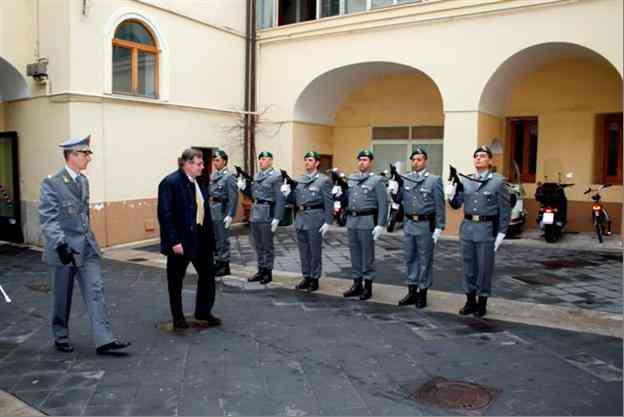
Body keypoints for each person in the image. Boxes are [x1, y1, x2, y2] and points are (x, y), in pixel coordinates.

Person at [38, 134, 130, 354]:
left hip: (86, 248)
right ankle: (60, 335)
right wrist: (60, 243)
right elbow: (47, 217)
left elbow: (83, 215)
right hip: (64, 250)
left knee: (96, 291)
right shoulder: (52, 182)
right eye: (86, 154)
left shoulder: (83, 181)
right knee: (62, 296)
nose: (89, 158)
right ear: (72, 156)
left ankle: (104, 340)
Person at [157, 148, 220, 330]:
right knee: (176, 279)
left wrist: (211, 238)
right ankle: (178, 317)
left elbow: (203, 210)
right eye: (199, 164)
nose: (203, 167)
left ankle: (203, 312)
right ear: (188, 164)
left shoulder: (199, 181)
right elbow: (165, 214)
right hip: (181, 241)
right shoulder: (170, 182)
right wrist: (174, 241)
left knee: (208, 275)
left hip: (201, 238)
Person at [448, 145, 510, 317]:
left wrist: (501, 233)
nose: (479, 158)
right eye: (476, 156)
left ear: (490, 160)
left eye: (482, 156)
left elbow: (505, 210)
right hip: (467, 228)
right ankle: (470, 300)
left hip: (486, 229)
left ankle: (482, 302)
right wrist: (452, 192)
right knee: (468, 266)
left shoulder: (498, 182)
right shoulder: (466, 180)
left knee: (484, 268)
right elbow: (456, 204)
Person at [389, 147, 445, 308]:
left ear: (425, 161)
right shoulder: (405, 178)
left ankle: (423, 293)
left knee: (424, 260)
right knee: (410, 259)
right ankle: (412, 291)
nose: (416, 162)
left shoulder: (434, 180)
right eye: (413, 159)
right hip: (409, 224)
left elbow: (439, 205)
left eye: (419, 159)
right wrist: (394, 188)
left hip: (425, 225)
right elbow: (398, 199)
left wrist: (439, 227)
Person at [334, 149, 388, 301]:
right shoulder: (352, 179)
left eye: (364, 160)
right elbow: (347, 199)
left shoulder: (377, 180)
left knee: (367, 255)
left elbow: (383, 204)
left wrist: (380, 224)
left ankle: (368, 287)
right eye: (360, 159)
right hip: (352, 220)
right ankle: (356, 284)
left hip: (367, 221)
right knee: (355, 254)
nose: (361, 162)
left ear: (370, 162)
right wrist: (339, 194)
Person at [281, 151, 333, 293]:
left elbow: (329, 202)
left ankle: (315, 278)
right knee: (303, 251)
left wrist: (328, 221)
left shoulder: (323, 180)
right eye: (306, 160)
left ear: (317, 163)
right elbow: (295, 200)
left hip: (316, 218)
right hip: (301, 218)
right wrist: (287, 194)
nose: (307, 162)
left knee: (315, 251)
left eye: (310, 160)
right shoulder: (300, 180)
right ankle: (306, 276)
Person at [237, 151, 285, 285]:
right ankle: (261, 270)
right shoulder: (257, 175)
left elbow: (280, 199)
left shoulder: (276, 177)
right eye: (260, 159)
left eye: (264, 159)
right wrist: (243, 188)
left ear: (271, 161)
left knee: (267, 245)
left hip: (267, 212)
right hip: (256, 212)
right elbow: (253, 194)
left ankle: (267, 272)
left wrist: (277, 217)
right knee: (257, 244)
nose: (261, 161)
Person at [209, 149, 238, 277]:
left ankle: (225, 265)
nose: (215, 162)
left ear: (224, 161)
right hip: (213, 209)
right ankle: (218, 262)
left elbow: (233, 197)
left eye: (218, 160)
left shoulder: (229, 176)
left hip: (222, 210)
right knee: (215, 239)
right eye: (214, 160)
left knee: (222, 239)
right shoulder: (213, 175)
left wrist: (230, 215)